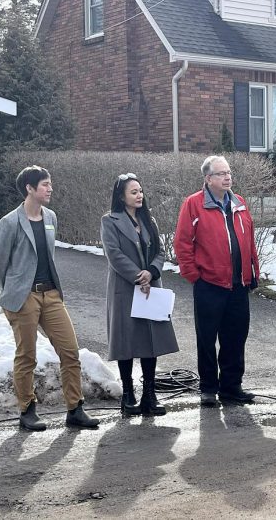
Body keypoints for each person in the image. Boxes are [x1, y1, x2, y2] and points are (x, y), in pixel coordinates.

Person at [0, 165, 99, 431]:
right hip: (24, 296)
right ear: (29, 188)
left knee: (70, 351)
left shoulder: (50, 217)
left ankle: (75, 409)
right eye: (45, 185)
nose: (50, 189)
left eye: (50, 184)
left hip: (51, 293)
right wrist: (15, 293)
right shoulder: (10, 222)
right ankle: (27, 410)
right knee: (26, 356)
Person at [174, 155, 260, 407]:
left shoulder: (239, 203)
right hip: (209, 284)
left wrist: (252, 271)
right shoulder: (194, 204)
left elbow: (249, 240)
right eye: (221, 173)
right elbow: (182, 243)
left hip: (238, 285)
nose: (227, 177)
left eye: (229, 172)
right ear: (208, 178)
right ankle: (208, 388)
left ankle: (232, 387)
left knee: (235, 337)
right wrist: (193, 276)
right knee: (207, 338)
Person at [100, 173, 179, 416]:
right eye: (133, 192)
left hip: (150, 286)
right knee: (126, 341)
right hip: (125, 287)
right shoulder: (110, 221)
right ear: (121, 197)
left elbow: (160, 250)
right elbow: (113, 254)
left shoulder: (149, 220)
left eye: (140, 191)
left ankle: (149, 394)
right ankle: (127, 394)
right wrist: (138, 275)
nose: (139, 195)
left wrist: (151, 272)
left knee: (150, 340)